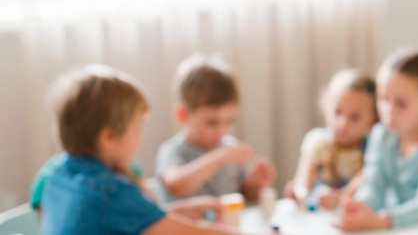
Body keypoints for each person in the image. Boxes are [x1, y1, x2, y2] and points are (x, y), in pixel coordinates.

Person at [40, 64, 237, 234]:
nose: (140, 138)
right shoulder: (111, 191)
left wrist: (179, 212)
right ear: (108, 137)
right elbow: (190, 233)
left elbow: (128, 217)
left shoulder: (59, 173)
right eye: (136, 130)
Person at [335, 49, 418, 232]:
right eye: (383, 99)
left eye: (401, 103)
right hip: (409, 227)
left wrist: (380, 220)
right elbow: (375, 187)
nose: (388, 110)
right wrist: (361, 206)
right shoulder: (381, 135)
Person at [157, 54, 276, 203]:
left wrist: (257, 183)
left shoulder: (229, 145)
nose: (222, 130)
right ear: (183, 115)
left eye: (229, 120)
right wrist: (219, 158)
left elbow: (246, 195)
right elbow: (176, 185)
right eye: (212, 123)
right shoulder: (173, 150)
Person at [284, 69, 378, 210]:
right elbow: (304, 178)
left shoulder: (372, 146)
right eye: (337, 112)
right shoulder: (317, 141)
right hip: (317, 214)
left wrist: (339, 197)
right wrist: (298, 193)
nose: (342, 123)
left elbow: (364, 181)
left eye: (354, 117)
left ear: (372, 119)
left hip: (353, 214)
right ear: (326, 107)